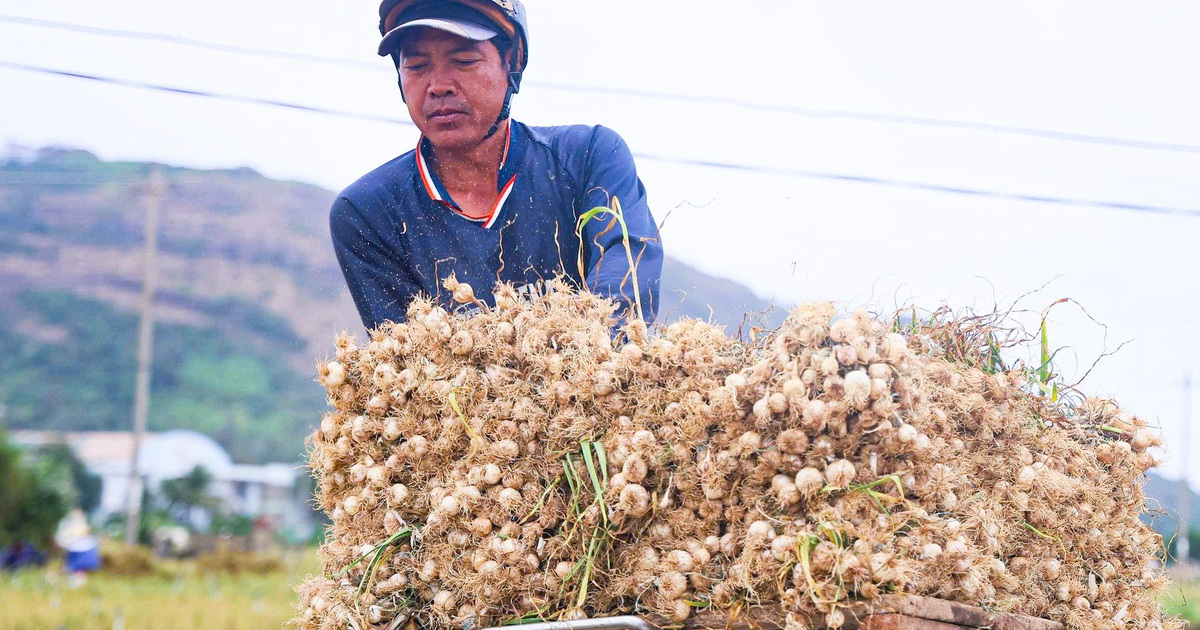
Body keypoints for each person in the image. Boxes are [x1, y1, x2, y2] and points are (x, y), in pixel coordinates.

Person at [331, 0, 663, 330]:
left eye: (463, 60)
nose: (438, 86)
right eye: (417, 66)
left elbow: (623, 296)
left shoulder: (588, 158)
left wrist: (592, 357)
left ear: (512, 63)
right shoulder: (367, 213)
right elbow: (408, 361)